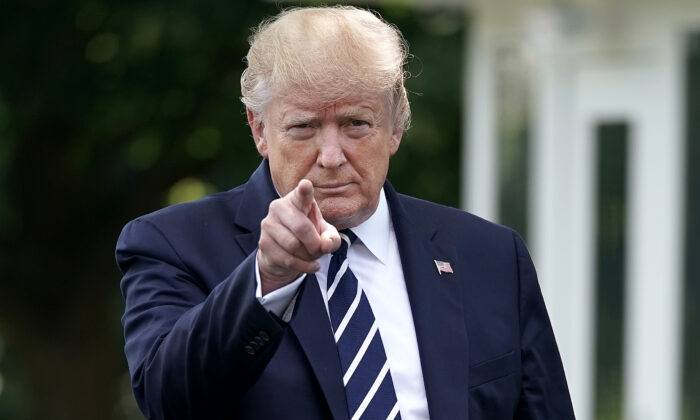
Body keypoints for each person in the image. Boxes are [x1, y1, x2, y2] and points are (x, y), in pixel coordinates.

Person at [116, 6, 575, 420]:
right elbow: (167, 399)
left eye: (356, 123)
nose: (331, 155)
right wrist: (266, 281)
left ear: (395, 124)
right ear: (259, 130)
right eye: (303, 127)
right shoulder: (173, 244)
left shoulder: (489, 255)